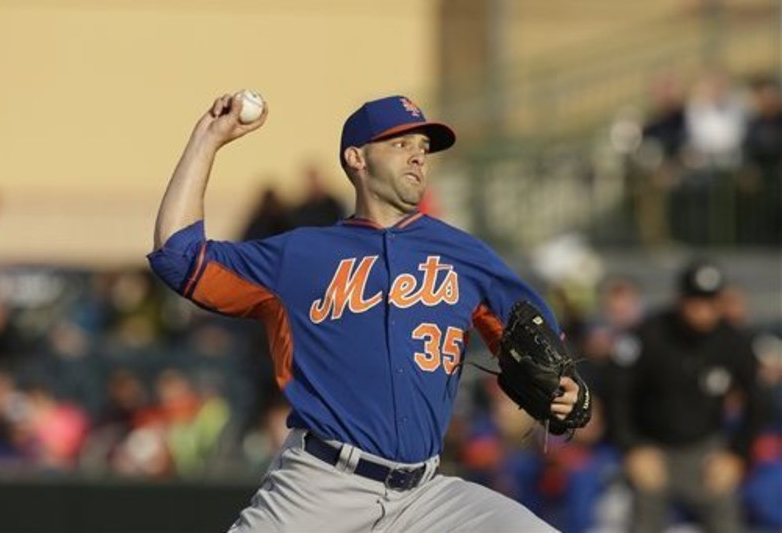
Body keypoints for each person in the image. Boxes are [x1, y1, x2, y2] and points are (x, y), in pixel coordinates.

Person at [148, 92, 586, 532]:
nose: (417, 157)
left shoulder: (463, 254)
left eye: (422, 148)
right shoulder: (302, 255)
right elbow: (178, 257)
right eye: (400, 145)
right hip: (320, 488)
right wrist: (207, 139)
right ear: (356, 158)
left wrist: (566, 388)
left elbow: (531, 330)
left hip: (425, 496)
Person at [609, 260, 764, 533]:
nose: (703, 311)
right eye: (695, 302)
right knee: (643, 524)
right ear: (680, 300)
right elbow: (618, 394)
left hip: (706, 451)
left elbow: (759, 402)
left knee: (727, 522)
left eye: (711, 302)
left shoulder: (732, 342)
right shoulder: (650, 335)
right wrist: (632, 448)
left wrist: (737, 456)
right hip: (653, 449)